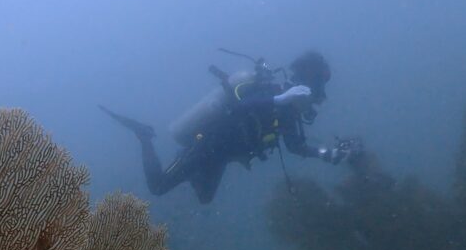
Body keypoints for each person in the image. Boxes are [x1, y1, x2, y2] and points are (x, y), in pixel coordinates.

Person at [101, 50, 357, 204]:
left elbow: (295, 146)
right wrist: (279, 98)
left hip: (223, 156)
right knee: (158, 187)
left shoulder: (289, 112)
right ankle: (144, 136)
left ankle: (186, 166)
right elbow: (237, 107)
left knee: (205, 198)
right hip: (209, 142)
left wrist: (327, 154)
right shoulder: (271, 90)